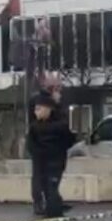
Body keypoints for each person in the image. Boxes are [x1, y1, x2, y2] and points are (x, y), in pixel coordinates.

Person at [27, 94, 76, 218]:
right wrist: (38, 153)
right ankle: (55, 209)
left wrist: (57, 151)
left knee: (51, 188)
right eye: (35, 109)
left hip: (55, 163)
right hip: (41, 163)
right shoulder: (34, 127)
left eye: (38, 109)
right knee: (46, 188)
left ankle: (54, 215)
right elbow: (30, 145)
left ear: (47, 109)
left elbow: (69, 140)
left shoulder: (60, 126)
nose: (35, 112)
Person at [28, 84, 66, 214]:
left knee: (45, 182)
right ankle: (48, 205)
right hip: (48, 155)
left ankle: (49, 205)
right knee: (45, 183)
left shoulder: (42, 103)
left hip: (47, 155)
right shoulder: (43, 103)